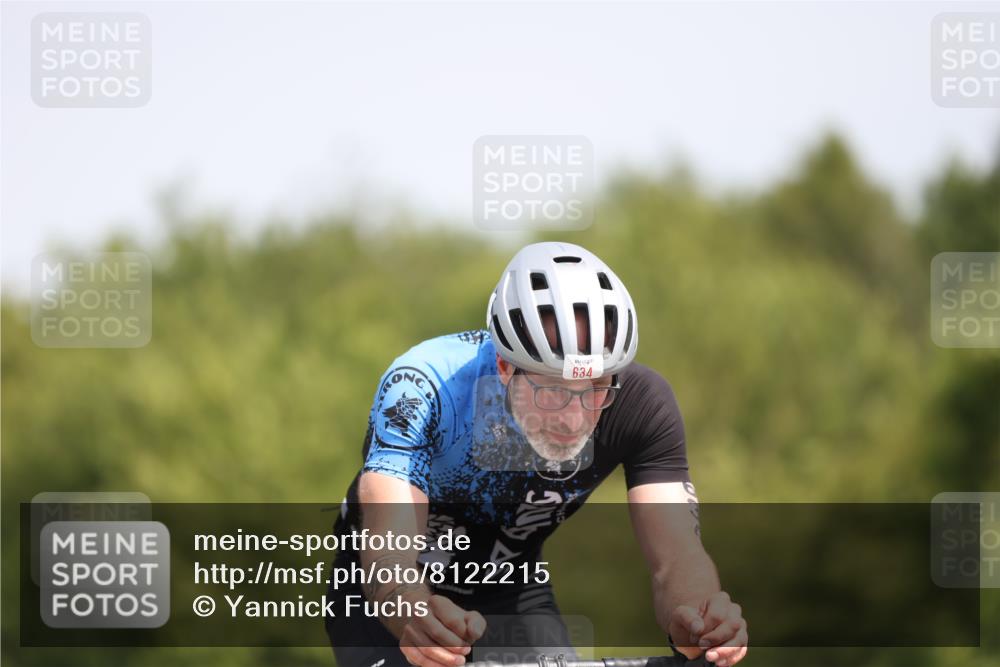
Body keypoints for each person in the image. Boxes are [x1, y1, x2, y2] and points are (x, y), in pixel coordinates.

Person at [325, 242, 748, 667]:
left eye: (596, 388)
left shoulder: (642, 403)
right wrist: (412, 611)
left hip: (511, 584)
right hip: (384, 594)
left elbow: (677, 558)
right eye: (552, 390)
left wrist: (697, 618)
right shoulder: (423, 387)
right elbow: (389, 548)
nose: (574, 418)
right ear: (505, 367)